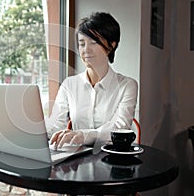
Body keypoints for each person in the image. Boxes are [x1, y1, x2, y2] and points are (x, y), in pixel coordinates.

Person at [47, 12, 138, 151]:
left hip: (112, 160)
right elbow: (56, 126)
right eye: (81, 43)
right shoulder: (69, 84)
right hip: (76, 160)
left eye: (94, 42)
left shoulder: (127, 85)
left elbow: (119, 128)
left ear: (111, 46)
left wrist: (82, 135)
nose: (86, 50)